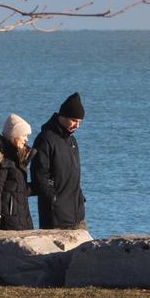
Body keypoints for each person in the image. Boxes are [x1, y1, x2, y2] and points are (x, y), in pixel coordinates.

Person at [29, 92, 87, 229]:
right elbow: (39, 174)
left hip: (76, 214)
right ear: (62, 116)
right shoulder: (45, 139)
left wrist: (80, 198)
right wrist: (52, 198)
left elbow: (74, 174)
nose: (77, 125)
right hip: (55, 216)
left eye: (80, 122)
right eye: (74, 120)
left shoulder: (72, 140)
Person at [0, 114, 34, 231]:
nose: (26, 139)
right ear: (14, 135)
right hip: (8, 221)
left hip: (22, 219)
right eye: (23, 135)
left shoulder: (16, 159)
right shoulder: (3, 161)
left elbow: (17, 189)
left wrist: (41, 187)